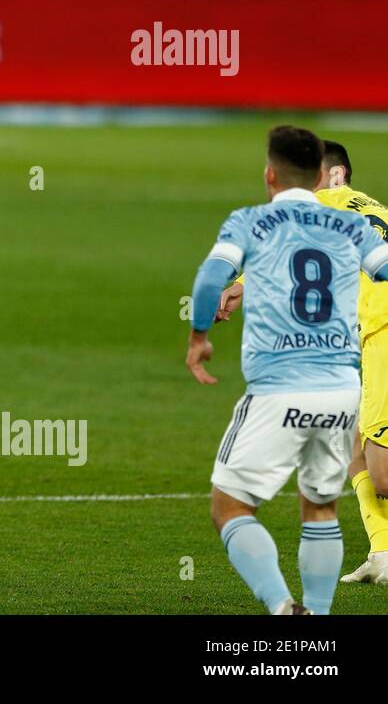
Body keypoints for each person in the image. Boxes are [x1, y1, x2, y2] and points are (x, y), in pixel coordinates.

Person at [186, 126, 388, 613]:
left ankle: (283, 606)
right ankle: (365, 568)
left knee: (232, 504)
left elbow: (213, 277)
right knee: (335, 486)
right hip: (344, 380)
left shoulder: (256, 220)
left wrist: (200, 335)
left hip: (296, 377)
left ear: (270, 174)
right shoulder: (359, 222)